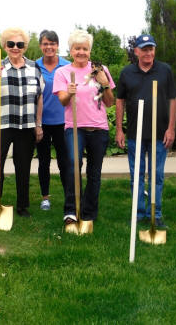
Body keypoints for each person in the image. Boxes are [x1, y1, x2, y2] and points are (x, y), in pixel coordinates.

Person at [53, 29, 115, 225]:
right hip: (75, 128)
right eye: (77, 48)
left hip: (99, 128)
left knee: (94, 173)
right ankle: (71, 211)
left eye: (85, 49)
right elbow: (62, 101)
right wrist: (69, 93)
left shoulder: (100, 70)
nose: (81, 52)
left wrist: (105, 84)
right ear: (71, 50)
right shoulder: (63, 72)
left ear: (90, 50)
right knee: (73, 166)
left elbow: (110, 102)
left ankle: (88, 213)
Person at [116, 34, 176, 228]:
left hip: (159, 133)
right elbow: (120, 101)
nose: (148, 53)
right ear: (136, 51)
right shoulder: (127, 73)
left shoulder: (165, 70)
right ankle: (139, 212)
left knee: (156, 175)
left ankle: (155, 214)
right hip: (135, 134)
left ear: (154, 50)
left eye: (151, 49)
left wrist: (171, 128)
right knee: (137, 175)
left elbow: (173, 99)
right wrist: (119, 129)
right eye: (144, 49)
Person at [0, 27, 43, 217]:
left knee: (23, 166)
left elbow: (39, 97)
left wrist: (38, 124)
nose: (15, 47)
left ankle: (22, 206)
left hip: (26, 125)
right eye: (11, 44)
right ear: (5, 46)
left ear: (25, 47)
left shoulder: (34, 67)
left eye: (19, 44)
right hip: (1, 125)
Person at [35, 30, 70, 211]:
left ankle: (69, 197)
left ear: (57, 45)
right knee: (44, 161)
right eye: (45, 44)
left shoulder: (67, 66)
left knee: (65, 161)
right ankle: (45, 198)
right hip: (42, 123)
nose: (49, 47)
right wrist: (37, 124)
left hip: (63, 122)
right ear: (40, 46)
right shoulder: (34, 66)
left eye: (52, 43)